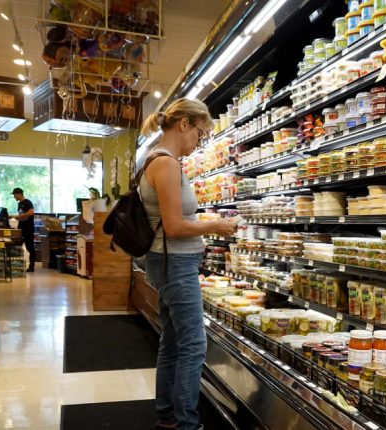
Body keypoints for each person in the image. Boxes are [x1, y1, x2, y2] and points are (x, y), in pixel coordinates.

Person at [140, 98, 238, 430]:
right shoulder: (166, 164)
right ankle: (186, 423)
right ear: (184, 124)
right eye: (200, 134)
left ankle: (168, 416)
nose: (199, 142)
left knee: (172, 341)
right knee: (194, 344)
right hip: (175, 263)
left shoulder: (156, 158)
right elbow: (174, 227)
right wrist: (215, 225)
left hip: (168, 261)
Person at [11, 188, 36, 272]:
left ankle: (32, 266)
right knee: (17, 247)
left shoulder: (28, 202)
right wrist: (17, 217)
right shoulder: (19, 204)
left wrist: (20, 216)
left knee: (30, 248)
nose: (14, 197)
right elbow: (21, 214)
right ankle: (17, 266)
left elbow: (31, 212)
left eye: (14, 195)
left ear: (19, 194)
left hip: (28, 229)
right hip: (21, 228)